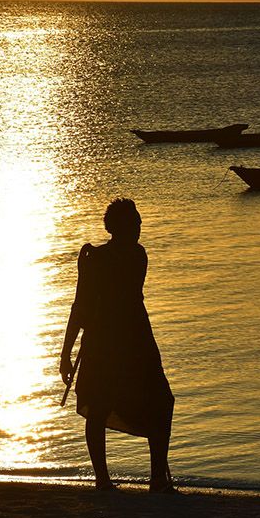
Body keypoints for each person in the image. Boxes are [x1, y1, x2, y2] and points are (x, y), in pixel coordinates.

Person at [59, 198, 176, 493]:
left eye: (138, 221)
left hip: (131, 340)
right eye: (135, 221)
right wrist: (65, 353)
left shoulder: (134, 256)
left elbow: (89, 304)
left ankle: (155, 479)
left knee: (160, 401)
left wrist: (87, 261)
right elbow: (80, 307)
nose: (139, 226)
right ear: (120, 226)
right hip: (113, 341)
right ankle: (105, 479)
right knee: (100, 406)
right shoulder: (101, 258)